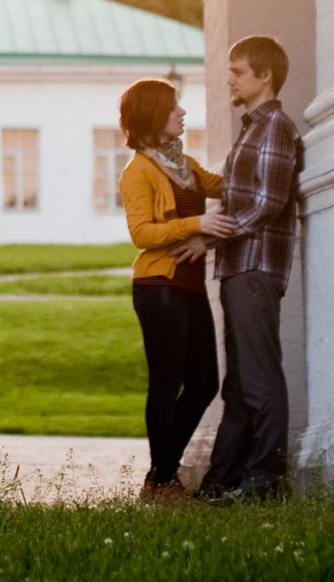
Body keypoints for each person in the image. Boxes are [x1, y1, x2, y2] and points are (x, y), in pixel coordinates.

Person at [197, 34, 303, 501]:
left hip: (256, 268)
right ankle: (221, 483)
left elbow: (267, 202)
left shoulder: (275, 127)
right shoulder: (253, 128)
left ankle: (264, 483)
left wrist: (211, 234)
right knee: (238, 385)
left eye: (238, 72)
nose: (230, 80)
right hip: (239, 266)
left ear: (265, 76)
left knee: (259, 379)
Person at [117, 76, 222, 503]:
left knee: (204, 383)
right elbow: (141, 233)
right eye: (174, 106)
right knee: (166, 382)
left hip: (189, 287)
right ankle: (163, 482)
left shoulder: (186, 165)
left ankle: (159, 476)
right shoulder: (137, 172)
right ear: (152, 115)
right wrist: (197, 224)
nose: (182, 112)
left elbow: (227, 187)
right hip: (158, 287)